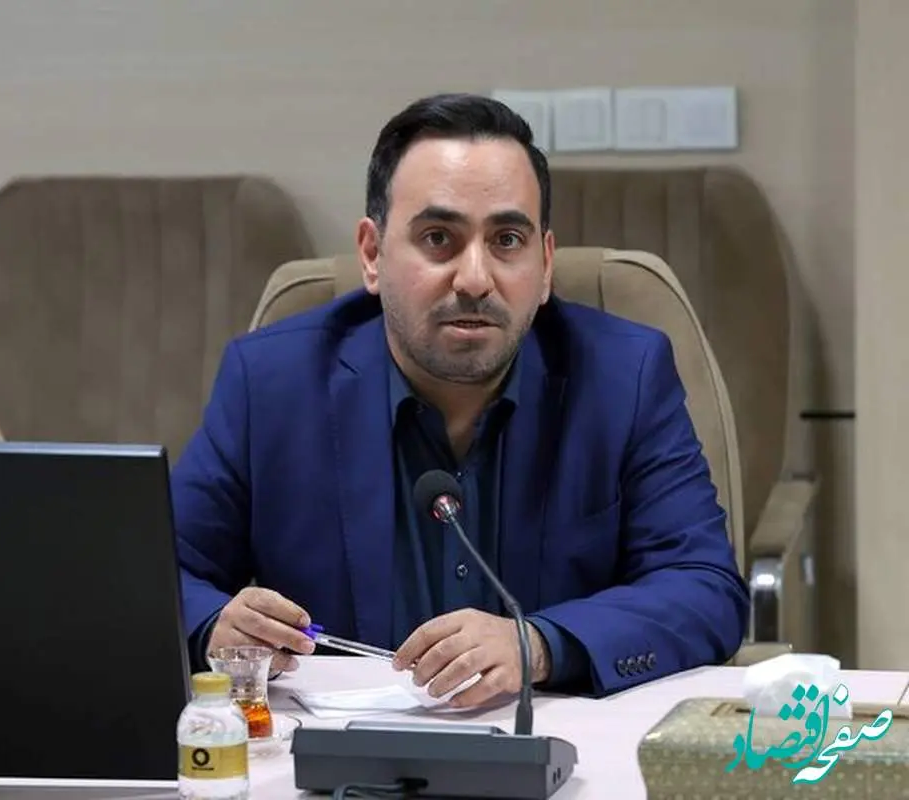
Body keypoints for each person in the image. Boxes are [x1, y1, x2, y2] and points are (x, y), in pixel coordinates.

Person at [172, 92, 749, 706]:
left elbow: (704, 588)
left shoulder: (622, 377)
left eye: (507, 240)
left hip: (560, 740)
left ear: (545, 264)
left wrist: (539, 644)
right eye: (439, 238)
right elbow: (159, 572)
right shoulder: (272, 383)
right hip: (332, 747)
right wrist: (214, 625)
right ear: (372, 254)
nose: (475, 278)